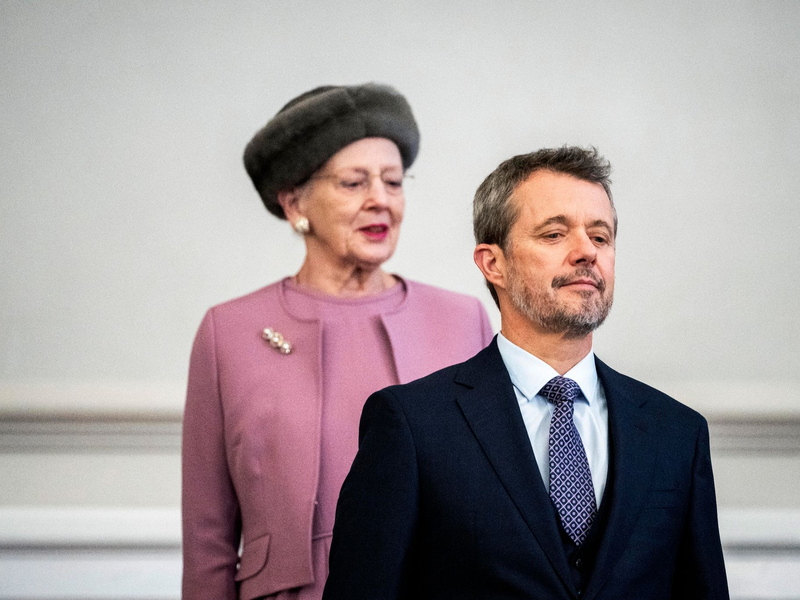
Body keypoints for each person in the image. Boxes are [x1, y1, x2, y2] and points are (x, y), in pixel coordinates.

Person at [323, 146, 729, 599]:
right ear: (492, 263)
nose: (586, 253)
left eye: (601, 237)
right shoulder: (412, 425)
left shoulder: (677, 432)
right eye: (554, 234)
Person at [181, 83, 493, 600]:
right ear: (294, 202)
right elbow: (208, 540)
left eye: (393, 182)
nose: (381, 201)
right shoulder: (228, 332)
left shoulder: (463, 319)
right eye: (353, 182)